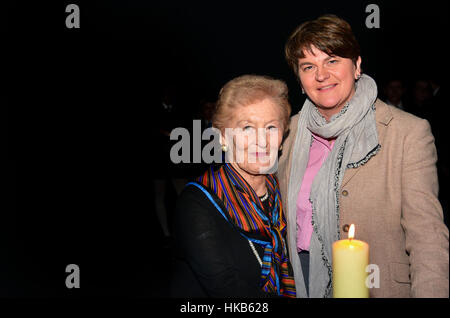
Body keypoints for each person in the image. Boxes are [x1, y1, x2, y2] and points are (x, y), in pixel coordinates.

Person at [279, 14, 448, 298]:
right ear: (300, 79)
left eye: (332, 61)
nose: (321, 75)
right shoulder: (288, 133)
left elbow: (427, 238)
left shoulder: (407, 133)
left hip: (376, 286)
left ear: (357, 65)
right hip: (300, 283)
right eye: (309, 66)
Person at [170, 75, 296, 297]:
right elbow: (227, 290)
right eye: (247, 127)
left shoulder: (285, 190)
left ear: (283, 135)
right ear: (222, 137)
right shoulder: (198, 203)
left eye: (271, 127)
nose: (262, 141)